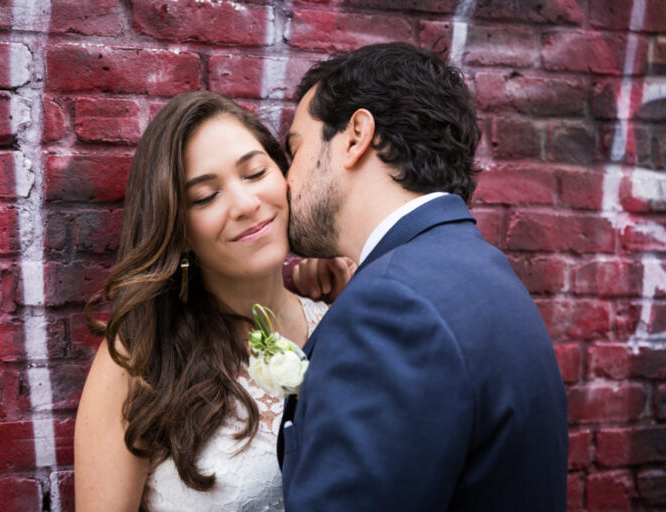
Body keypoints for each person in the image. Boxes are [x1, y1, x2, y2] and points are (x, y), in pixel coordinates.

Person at [278, 42, 568, 510]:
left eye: (294, 149)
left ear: (355, 136)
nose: (286, 181)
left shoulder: (388, 308)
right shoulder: (483, 270)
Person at [74, 91, 349, 511]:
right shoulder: (141, 358)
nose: (245, 204)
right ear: (178, 230)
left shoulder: (343, 320)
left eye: (255, 173)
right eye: (205, 196)